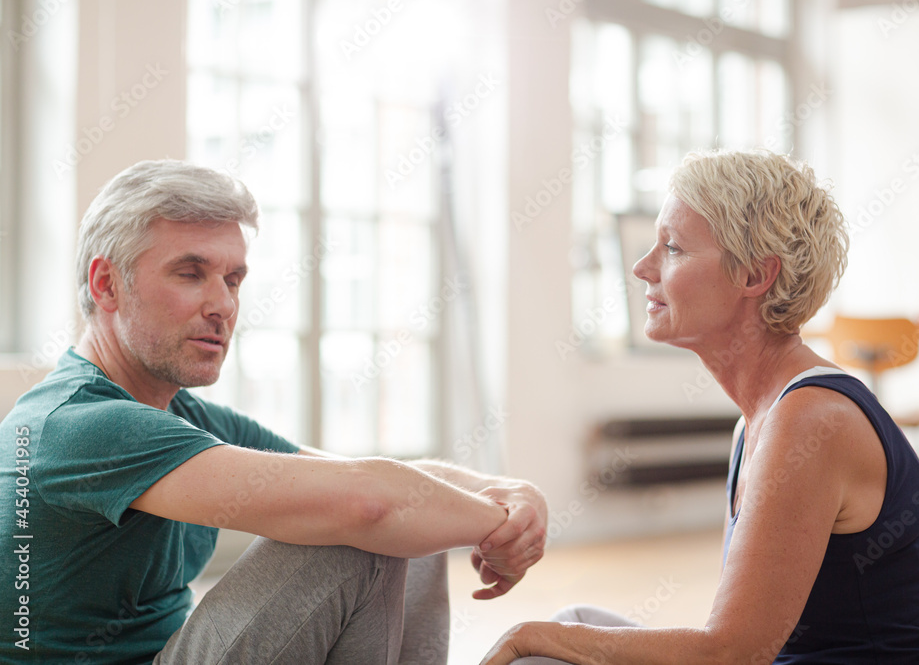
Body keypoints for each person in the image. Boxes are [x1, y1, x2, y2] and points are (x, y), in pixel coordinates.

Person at [0, 160, 547, 664]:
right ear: (106, 284)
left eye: (233, 279)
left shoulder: (180, 415)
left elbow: (373, 479)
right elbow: (368, 500)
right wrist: (502, 528)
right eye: (191, 273)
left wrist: (508, 492)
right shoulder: (80, 425)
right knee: (365, 524)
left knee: (416, 518)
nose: (223, 304)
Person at [481, 150, 919, 664]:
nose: (642, 268)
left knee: (542, 652)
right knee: (573, 624)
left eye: (674, 248)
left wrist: (528, 636)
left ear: (754, 275)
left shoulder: (811, 419)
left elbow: (730, 654)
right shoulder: (758, 421)